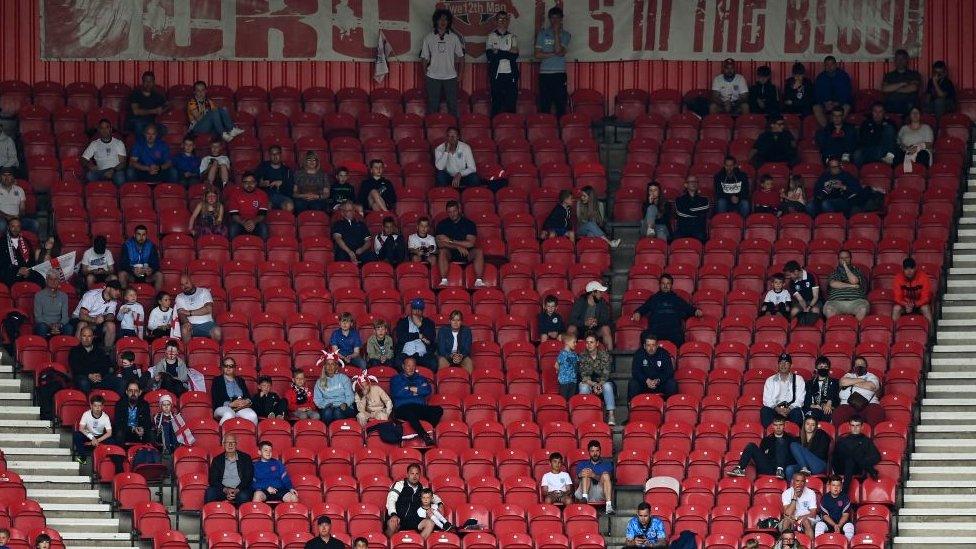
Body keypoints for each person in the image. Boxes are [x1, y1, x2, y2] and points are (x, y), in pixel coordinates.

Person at [631, 274, 702, 348]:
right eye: (663, 283)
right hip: (656, 331)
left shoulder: (676, 299)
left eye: (668, 283)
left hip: (673, 332)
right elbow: (643, 308)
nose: (665, 286)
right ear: (660, 284)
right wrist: (638, 312)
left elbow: (688, 308)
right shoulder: (654, 299)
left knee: (680, 338)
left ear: (671, 285)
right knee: (645, 336)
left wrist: (696, 311)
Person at [421, 9, 465, 117]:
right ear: (436, 21)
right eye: (440, 19)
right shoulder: (429, 37)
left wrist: (461, 74)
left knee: (453, 106)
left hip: (450, 76)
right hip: (433, 77)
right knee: (432, 106)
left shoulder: (454, 38)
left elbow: (461, 57)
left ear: (449, 21)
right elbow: (424, 58)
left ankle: (455, 132)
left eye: (446, 19)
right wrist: (425, 74)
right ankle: (432, 131)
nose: (443, 21)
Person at [391, 357, 443, 446]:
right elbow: (397, 393)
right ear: (403, 366)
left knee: (438, 409)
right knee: (410, 413)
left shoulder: (421, 378)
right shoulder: (396, 379)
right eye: (408, 365)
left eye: (413, 366)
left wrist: (409, 389)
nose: (411, 368)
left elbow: (427, 390)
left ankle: (428, 428)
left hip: (419, 407)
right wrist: (417, 391)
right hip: (402, 408)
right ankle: (424, 436)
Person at [727, 416, 798, 479]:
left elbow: (793, 457)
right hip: (768, 467)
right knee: (751, 445)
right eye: (776, 425)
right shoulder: (766, 440)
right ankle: (739, 468)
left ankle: (780, 469)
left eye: (780, 425)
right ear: (772, 426)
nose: (778, 427)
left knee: (780, 441)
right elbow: (762, 455)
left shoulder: (790, 439)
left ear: (784, 425)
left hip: (784, 468)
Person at [435, 201, 486, 287]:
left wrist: (451, 240)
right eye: (449, 212)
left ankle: (479, 281)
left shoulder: (469, 224)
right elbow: (440, 244)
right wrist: (458, 247)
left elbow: (470, 244)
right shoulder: (442, 224)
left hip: (466, 252)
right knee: (442, 251)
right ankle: (444, 280)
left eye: (454, 211)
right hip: (449, 252)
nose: (452, 214)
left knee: (479, 251)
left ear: (459, 210)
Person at [385, 463, 441, 536]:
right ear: (408, 474)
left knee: (430, 523)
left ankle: (418, 544)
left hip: (413, 520)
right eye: (412, 473)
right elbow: (391, 500)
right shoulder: (399, 485)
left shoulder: (423, 489)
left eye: (417, 474)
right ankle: (389, 545)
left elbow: (435, 498)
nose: (414, 476)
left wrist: (440, 504)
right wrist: (393, 514)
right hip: (398, 517)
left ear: (419, 475)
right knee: (392, 522)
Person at [535, 6, 570, 117]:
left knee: (560, 104)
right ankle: (545, 131)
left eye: (557, 18)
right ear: (549, 19)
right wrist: (553, 54)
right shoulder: (542, 34)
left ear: (561, 19)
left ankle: (560, 132)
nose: (555, 21)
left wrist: (555, 33)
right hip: (545, 74)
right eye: (552, 18)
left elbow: (559, 51)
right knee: (545, 105)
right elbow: (537, 54)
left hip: (559, 74)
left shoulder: (565, 35)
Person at [834, 356, 885, 426]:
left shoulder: (871, 376)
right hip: (847, 404)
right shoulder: (848, 375)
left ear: (866, 367)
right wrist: (862, 381)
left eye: (862, 365)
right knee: (838, 414)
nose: (859, 366)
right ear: (853, 367)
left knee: (876, 412)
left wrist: (851, 383)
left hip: (868, 404)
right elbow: (843, 382)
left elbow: (871, 386)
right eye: (857, 365)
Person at [832, 418, 881, 488]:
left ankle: (844, 493)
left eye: (857, 425)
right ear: (849, 427)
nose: (855, 428)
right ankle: (870, 469)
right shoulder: (843, 440)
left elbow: (876, 457)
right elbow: (835, 457)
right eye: (853, 425)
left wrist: (864, 461)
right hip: (841, 467)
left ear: (862, 427)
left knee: (851, 459)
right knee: (847, 452)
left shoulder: (866, 440)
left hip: (858, 468)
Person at [486, 11, 519, 116]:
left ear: (508, 21)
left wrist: (498, 52)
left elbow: (514, 56)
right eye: (500, 19)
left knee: (511, 104)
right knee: (496, 104)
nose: (503, 21)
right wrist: (508, 52)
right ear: (496, 21)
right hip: (496, 75)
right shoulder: (491, 36)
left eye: (505, 19)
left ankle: (511, 129)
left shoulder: (512, 37)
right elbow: (490, 56)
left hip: (511, 75)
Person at [205, 435, 254, 505]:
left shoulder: (246, 458)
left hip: (240, 489)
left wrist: (237, 490)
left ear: (236, 444)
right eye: (227, 442)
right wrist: (226, 490)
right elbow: (213, 479)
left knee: (243, 496)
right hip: (222, 489)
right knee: (210, 492)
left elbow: (248, 478)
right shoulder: (217, 460)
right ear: (223, 445)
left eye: (232, 442)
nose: (230, 445)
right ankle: (211, 515)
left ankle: (240, 515)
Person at [72, 282, 122, 351]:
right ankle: (77, 351)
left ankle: (107, 353)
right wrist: (94, 320)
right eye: (116, 290)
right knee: (83, 324)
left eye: (119, 290)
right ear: (108, 289)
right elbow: (82, 315)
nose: (118, 293)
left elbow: (111, 316)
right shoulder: (91, 295)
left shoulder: (114, 301)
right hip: (79, 318)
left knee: (111, 325)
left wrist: (103, 318)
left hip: (97, 321)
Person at [578, 335, 615, 425]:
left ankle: (611, 415)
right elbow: (584, 375)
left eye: (591, 342)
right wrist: (594, 385)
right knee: (583, 387)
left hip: (603, 381)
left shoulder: (604, 355)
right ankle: (585, 415)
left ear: (597, 343)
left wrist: (599, 384)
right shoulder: (582, 356)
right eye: (587, 342)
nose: (589, 344)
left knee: (607, 387)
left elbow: (606, 374)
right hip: (589, 382)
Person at [761, 353, 806, 427]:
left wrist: (789, 408)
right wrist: (777, 409)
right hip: (775, 409)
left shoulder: (798, 379)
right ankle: (771, 436)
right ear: (778, 365)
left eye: (786, 363)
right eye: (781, 363)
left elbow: (800, 400)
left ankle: (794, 436)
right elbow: (767, 400)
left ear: (791, 365)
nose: (783, 365)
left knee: (797, 412)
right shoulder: (770, 380)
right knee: (765, 411)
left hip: (791, 409)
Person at [69, 327, 117, 394]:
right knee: (83, 383)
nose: (86, 339)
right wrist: (89, 375)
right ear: (80, 337)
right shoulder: (74, 351)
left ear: (93, 337)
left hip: (99, 378)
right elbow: (76, 367)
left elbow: (106, 365)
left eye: (89, 336)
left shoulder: (99, 350)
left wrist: (100, 374)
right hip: (84, 377)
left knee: (119, 382)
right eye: (84, 336)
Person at [628, 335, 677, 401]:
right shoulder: (639, 354)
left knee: (672, 383)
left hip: (659, 384)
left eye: (653, 345)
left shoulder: (664, 353)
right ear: (644, 346)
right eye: (648, 345)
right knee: (633, 383)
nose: (651, 348)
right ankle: (633, 406)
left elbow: (669, 371)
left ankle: (670, 406)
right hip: (644, 384)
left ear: (657, 346)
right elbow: (635, 372)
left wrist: (659, 380)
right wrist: (646, 380)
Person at [824, 250, 870, 320]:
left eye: (846, 258)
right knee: (829, 310)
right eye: (841, 258)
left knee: (863, 309)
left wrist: (846, 267)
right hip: (836, 302)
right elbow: (833, 284)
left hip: (856, 302)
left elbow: (854, 281)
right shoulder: (835, 273)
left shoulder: (857, 271)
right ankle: (835, 330)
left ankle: (856, 329)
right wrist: (851, 286)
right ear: (838, 260)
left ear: (850, 259)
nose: (844, 260)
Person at [568, 280, 613, 350]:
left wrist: (597, 321)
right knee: (571, 329)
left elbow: (607, 319)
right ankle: (568, 357)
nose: (601, 294)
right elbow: (572, 320)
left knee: (606, 329)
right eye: (599, 292)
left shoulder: (602, 302)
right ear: (593, 293)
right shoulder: (580, 302)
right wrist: (585, 323)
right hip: (581, 330)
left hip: (595, 330)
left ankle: (610, 358)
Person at [211, 358, 258, 425]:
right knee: (229, 414)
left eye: (231, 366)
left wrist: (246, 401)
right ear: (222, 367)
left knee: (253, 416)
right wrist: (230, 404)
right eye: (226, 366)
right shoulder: (217, 380)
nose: (228, 368)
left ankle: (248, 435)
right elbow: (216, 399)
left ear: (234, 368)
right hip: (223, 407)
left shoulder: (240, 380)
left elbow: (248, 396)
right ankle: (220, 434)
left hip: (240, 407)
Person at [314, 349, 355, 424]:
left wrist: (346, 404)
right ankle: (328, 433)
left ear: (336, 366)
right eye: (328, 364)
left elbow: (350, 395)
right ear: (325, 367)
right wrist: (325, 405)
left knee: (337, 412)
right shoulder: (319, 382)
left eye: (332, 364)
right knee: (327, 413)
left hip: (344, 406)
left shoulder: (343, 378)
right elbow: (317, 400)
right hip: (328, 407)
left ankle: (339, 433)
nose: (330, 367)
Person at [174, 275, 221, 342]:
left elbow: (208, 309)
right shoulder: (179, 297)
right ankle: (186, 351)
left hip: (207, 323)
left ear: (191, 281)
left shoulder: (204, 291)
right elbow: (181, 314)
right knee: (184, 330)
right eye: (182, 285)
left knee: (217, 332)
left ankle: (215, 350)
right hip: (191, 325)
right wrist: (186, 322)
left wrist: (190, 313)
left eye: (187, 283)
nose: (185, 286)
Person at [394, 299, 438, 370]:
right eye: (415, 309)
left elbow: (431, 338)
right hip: (406, 354)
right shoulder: (402, 322)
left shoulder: (429, 323)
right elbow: (401, 337)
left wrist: (420, 325)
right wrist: (418, 336)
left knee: (433, 364)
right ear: (411, 309)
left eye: (419, 309)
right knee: (397, 363)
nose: (417, 312)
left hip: (423, 355)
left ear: (423, 310)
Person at [574, 440, 614, 514]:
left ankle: (608, 506)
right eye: (592, 451)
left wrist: (594, 475)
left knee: (605, 475)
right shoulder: (582, 464)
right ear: (589, 452)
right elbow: (575, 482)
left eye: (597, 451)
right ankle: (584, 498)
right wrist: (579, 475)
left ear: (600, 451)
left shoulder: (607, 464)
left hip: (600, 492)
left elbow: (609, 480)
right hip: (583, 491)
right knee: (586, 471)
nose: (595, 453)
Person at [82, 119, 127, 186]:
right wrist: (90, 166)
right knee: (89, 175)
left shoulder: (118, 143)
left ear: (111, 129)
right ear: (99, 130)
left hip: (115, 170)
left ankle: (116, 193)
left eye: (107, 127)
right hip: (100, 171)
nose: (104, 130)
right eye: (102, 128)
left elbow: (123, 163)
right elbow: (83, 159)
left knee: (120, 178)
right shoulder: (94, 144)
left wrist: (112, 170)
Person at [226, 172, 270, 240]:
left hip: (256, 222)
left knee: (264, 229)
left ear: (256, 183)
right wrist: (244, 223)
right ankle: (233, 249)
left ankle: (263, 249)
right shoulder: (235, 194)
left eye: (252, 182)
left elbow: (262, 214)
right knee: (232, 229)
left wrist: (253, 222)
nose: (249, 185)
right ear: (242, 183)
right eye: (246, 182)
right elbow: (234, 215)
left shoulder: (262, 194)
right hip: (240, 222)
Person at [118, 224, 163, 290]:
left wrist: (151, 269)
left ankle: (158, 298)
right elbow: (123, 264)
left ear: (146, 236)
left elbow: (156, 264)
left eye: (143, 235)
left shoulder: (151, 246)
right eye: (139, 234)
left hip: (146, 275)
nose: (141, 237)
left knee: (159, 275)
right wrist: (133, 269)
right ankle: (124, 298)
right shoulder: (127, 245)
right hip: (132, 274)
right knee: (121, 274)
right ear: (134, 235)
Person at [0, 218, 42, 287]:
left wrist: (28, 271)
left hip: (26, 274)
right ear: (8, 227)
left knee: (40, 279)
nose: (15, 229)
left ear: (20, 228)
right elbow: (2, 263)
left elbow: (32, 262)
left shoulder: (27, 242)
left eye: (18, 226)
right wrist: (17, 271)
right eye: (13, 226)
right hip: (10, 274)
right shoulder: (2, 242)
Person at [813, 56, 853, 127]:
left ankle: (834, 128)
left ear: (835, 65)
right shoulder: (820, 77)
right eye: (827, 65)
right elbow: (816, 95)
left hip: (840, 104)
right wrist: (825, 103)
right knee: (816, 107)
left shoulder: (843, 76)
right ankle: (827, 129)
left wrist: (837, 103)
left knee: (847, 106)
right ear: (824, 66)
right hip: (825, 105)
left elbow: (847, 95)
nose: (829, 67)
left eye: (831, 64)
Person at [787, 414, 831, 480]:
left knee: (794, 445)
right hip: (805, 466)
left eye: (812, 425)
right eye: (808, 424)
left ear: (816, 426)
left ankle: (804, 469)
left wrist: (804, 454)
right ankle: (793, 489)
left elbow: (822, 453)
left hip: (818, 465)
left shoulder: (821, 434)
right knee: (789, 469)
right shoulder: (798, 439)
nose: (810, 426)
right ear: (804, 425)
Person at [893, 257, 933, 327]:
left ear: (915, 268)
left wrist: (915, 304)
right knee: (896, 309)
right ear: (903, 269)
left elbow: (926, 297)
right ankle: (894, 334)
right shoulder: (898, 278)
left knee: (926, 308)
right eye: (906, 269)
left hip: (919, 305)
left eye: (911, 268)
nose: (909, 271)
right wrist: (906, 304)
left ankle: (931, 335)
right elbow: (897, 298)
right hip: (905, 305)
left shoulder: (923, 277)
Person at [73, 394, 112, 463]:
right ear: (91, 406)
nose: (97, 408)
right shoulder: (86, 414)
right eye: (95, 406)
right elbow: (81, 428)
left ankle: (106, 458)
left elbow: (109, 433)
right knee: (76, 435)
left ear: (103, 406)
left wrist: (97, 440)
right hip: (88, 435)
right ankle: (83, 457)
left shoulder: (105, 417)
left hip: (99, 436)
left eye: (99, 406)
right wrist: (92, 438)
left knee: (112, 441)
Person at [881, 49, 922, 115]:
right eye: (898, 59)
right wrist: (901, 84)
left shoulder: (914, 74)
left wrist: (893, 89)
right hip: (892, 106)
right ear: (895, 61)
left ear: (907, 60)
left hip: (909, 106)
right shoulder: (889, 75)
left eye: (902, 59)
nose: (900, 61)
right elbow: (885, 89)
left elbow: (913, 87)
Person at [255, 145, 295, 211]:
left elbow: (291, 186)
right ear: (269, 155)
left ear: (280, 154)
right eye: (272, 154)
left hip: (283, 196)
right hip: (266, 196)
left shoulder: (286, 169)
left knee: (289, 206)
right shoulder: (263, 166)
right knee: (267, 206)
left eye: (277, 154)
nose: (275, 156)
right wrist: (260, 184)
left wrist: (282, 183)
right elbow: (253, 181)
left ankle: (283, 221)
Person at [127, 71, 167, 136]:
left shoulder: (157, 95)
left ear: (154, 82)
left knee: (163, 129)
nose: (148, 84)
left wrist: (162, 110)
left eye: (150, 81)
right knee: (139, 125)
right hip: (135, 121)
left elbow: (168, 104)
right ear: (142, 82)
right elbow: (136, 111)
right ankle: (140, 145)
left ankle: (152, 145)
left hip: (150, 123)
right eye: (146, 81)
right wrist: (154, 111)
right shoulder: (135, 94)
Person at [780, 472, 819, 539]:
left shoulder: (811, 493)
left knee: (805, 521)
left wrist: (798, 518)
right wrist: (794, 497)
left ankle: (811, 545)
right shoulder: (786, 493)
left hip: (807, 518)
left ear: (805, 483)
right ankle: (784, 545)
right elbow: (787, 514)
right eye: (797, 481)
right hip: (791, 518)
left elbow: (813, 513)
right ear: (792, 481)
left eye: (802, 481)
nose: (800, 484)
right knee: (786, 521)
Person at [816, 475, 856, 540]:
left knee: (849, 526)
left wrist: (839, 526)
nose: (835, 488)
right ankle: (818, 544)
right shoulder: (824, 498)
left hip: (842, 523)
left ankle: (847, 545)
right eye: (833, 485)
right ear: (829, 486)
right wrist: (834, 525)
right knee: (819, 525)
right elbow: (825, 516)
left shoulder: (845, 498)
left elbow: (845, 515)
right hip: (829, 523)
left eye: (838, 485)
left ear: (841, 487)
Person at [0, 167, 37, 234]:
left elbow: (22, 208)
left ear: (13, 177)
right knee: (2, 225)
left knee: (34, 224)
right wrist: (7, 216)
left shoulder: (19, 190)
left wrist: (17, 217)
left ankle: (28, 243)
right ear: (0, 177)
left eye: (9, 175)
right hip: (2, 218)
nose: (6, 177)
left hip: (17, 218)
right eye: (4, 175)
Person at [803, 357, 840, 423]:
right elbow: (806, 400)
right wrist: (813, 406)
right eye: (821, 366)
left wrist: (829, 403)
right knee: (813, 414)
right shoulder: (809, 383)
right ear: (816, 368)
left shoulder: (834, 382)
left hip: (828, 409)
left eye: (825, 367)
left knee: (827, 413)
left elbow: (836, 399)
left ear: (828, 369)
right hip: (813, 408)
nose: (823, 369)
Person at [33, 272, 69, 338]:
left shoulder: (64, 296)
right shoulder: (39, 295)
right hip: (44, 324)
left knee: (69, 328)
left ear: (59, 281)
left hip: (58, 324)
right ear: (46, 280)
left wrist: (59, 325)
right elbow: (38, 317)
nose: (53, 281)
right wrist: (50, 325)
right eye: (51, 279)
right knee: (42, 327)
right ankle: (43, 347)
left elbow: (65, 317)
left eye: (56, 279)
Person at [673, 176, 709, 242]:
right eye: (691, 182)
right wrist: (697, 212)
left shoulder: (704, 200)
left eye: (695, 182)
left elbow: (705, 209)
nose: (693, 184)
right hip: (683, 230)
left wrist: (688, 210)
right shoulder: (679, 200)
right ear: (686, 185)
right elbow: (680, 213)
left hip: (698, 229)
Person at [555, 333, 579, 400]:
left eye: (576, 342)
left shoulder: (574, 354)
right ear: (567, 342)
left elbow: (576, 364)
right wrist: (562, 373)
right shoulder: (562, 353)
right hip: (564, 381)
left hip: (573, 380)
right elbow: (556, 365)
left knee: (571, 399)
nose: (575, 344)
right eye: (574, 342)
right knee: (563, 399)